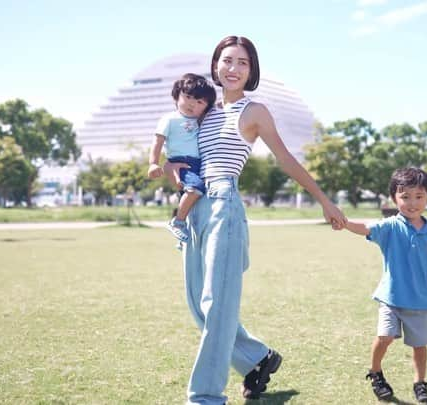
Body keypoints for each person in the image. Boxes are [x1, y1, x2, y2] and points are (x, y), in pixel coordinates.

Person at [163, 36, 346, 405]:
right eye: (227, 60)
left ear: (252, 70)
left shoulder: (254, 111)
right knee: (199, 306)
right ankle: (257, 358)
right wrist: (170, 166)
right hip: (194, 208)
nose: (233, 68)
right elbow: (181, 152)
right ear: (215, 64)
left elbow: (286, 158)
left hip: (224, 207)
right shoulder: (202, 110)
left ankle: (205, 396)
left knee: (218, 305)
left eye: (242, 63)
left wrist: (324, 200)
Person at [342, 167, 427, 404]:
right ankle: (375, 373)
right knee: (384, 336)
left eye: (419, 197)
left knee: (419, 346)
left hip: (419, 301)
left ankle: (420, 384)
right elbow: (365, 228)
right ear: (394, 198)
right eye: (405, 197)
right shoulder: (390, 226)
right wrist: (344, 221)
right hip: (390, 298)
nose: (412, 203)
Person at [147, 73, 216, 242]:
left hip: (199, 164)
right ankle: (177, 222)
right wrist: (153, 164)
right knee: (195, 189)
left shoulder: (202, 120)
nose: (192, 104)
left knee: (195, 200)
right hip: (181, 162)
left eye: (200, 102)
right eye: (188, 97)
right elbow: (157, 141)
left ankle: (182, 240)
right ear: (177, 95)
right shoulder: (169, 119)